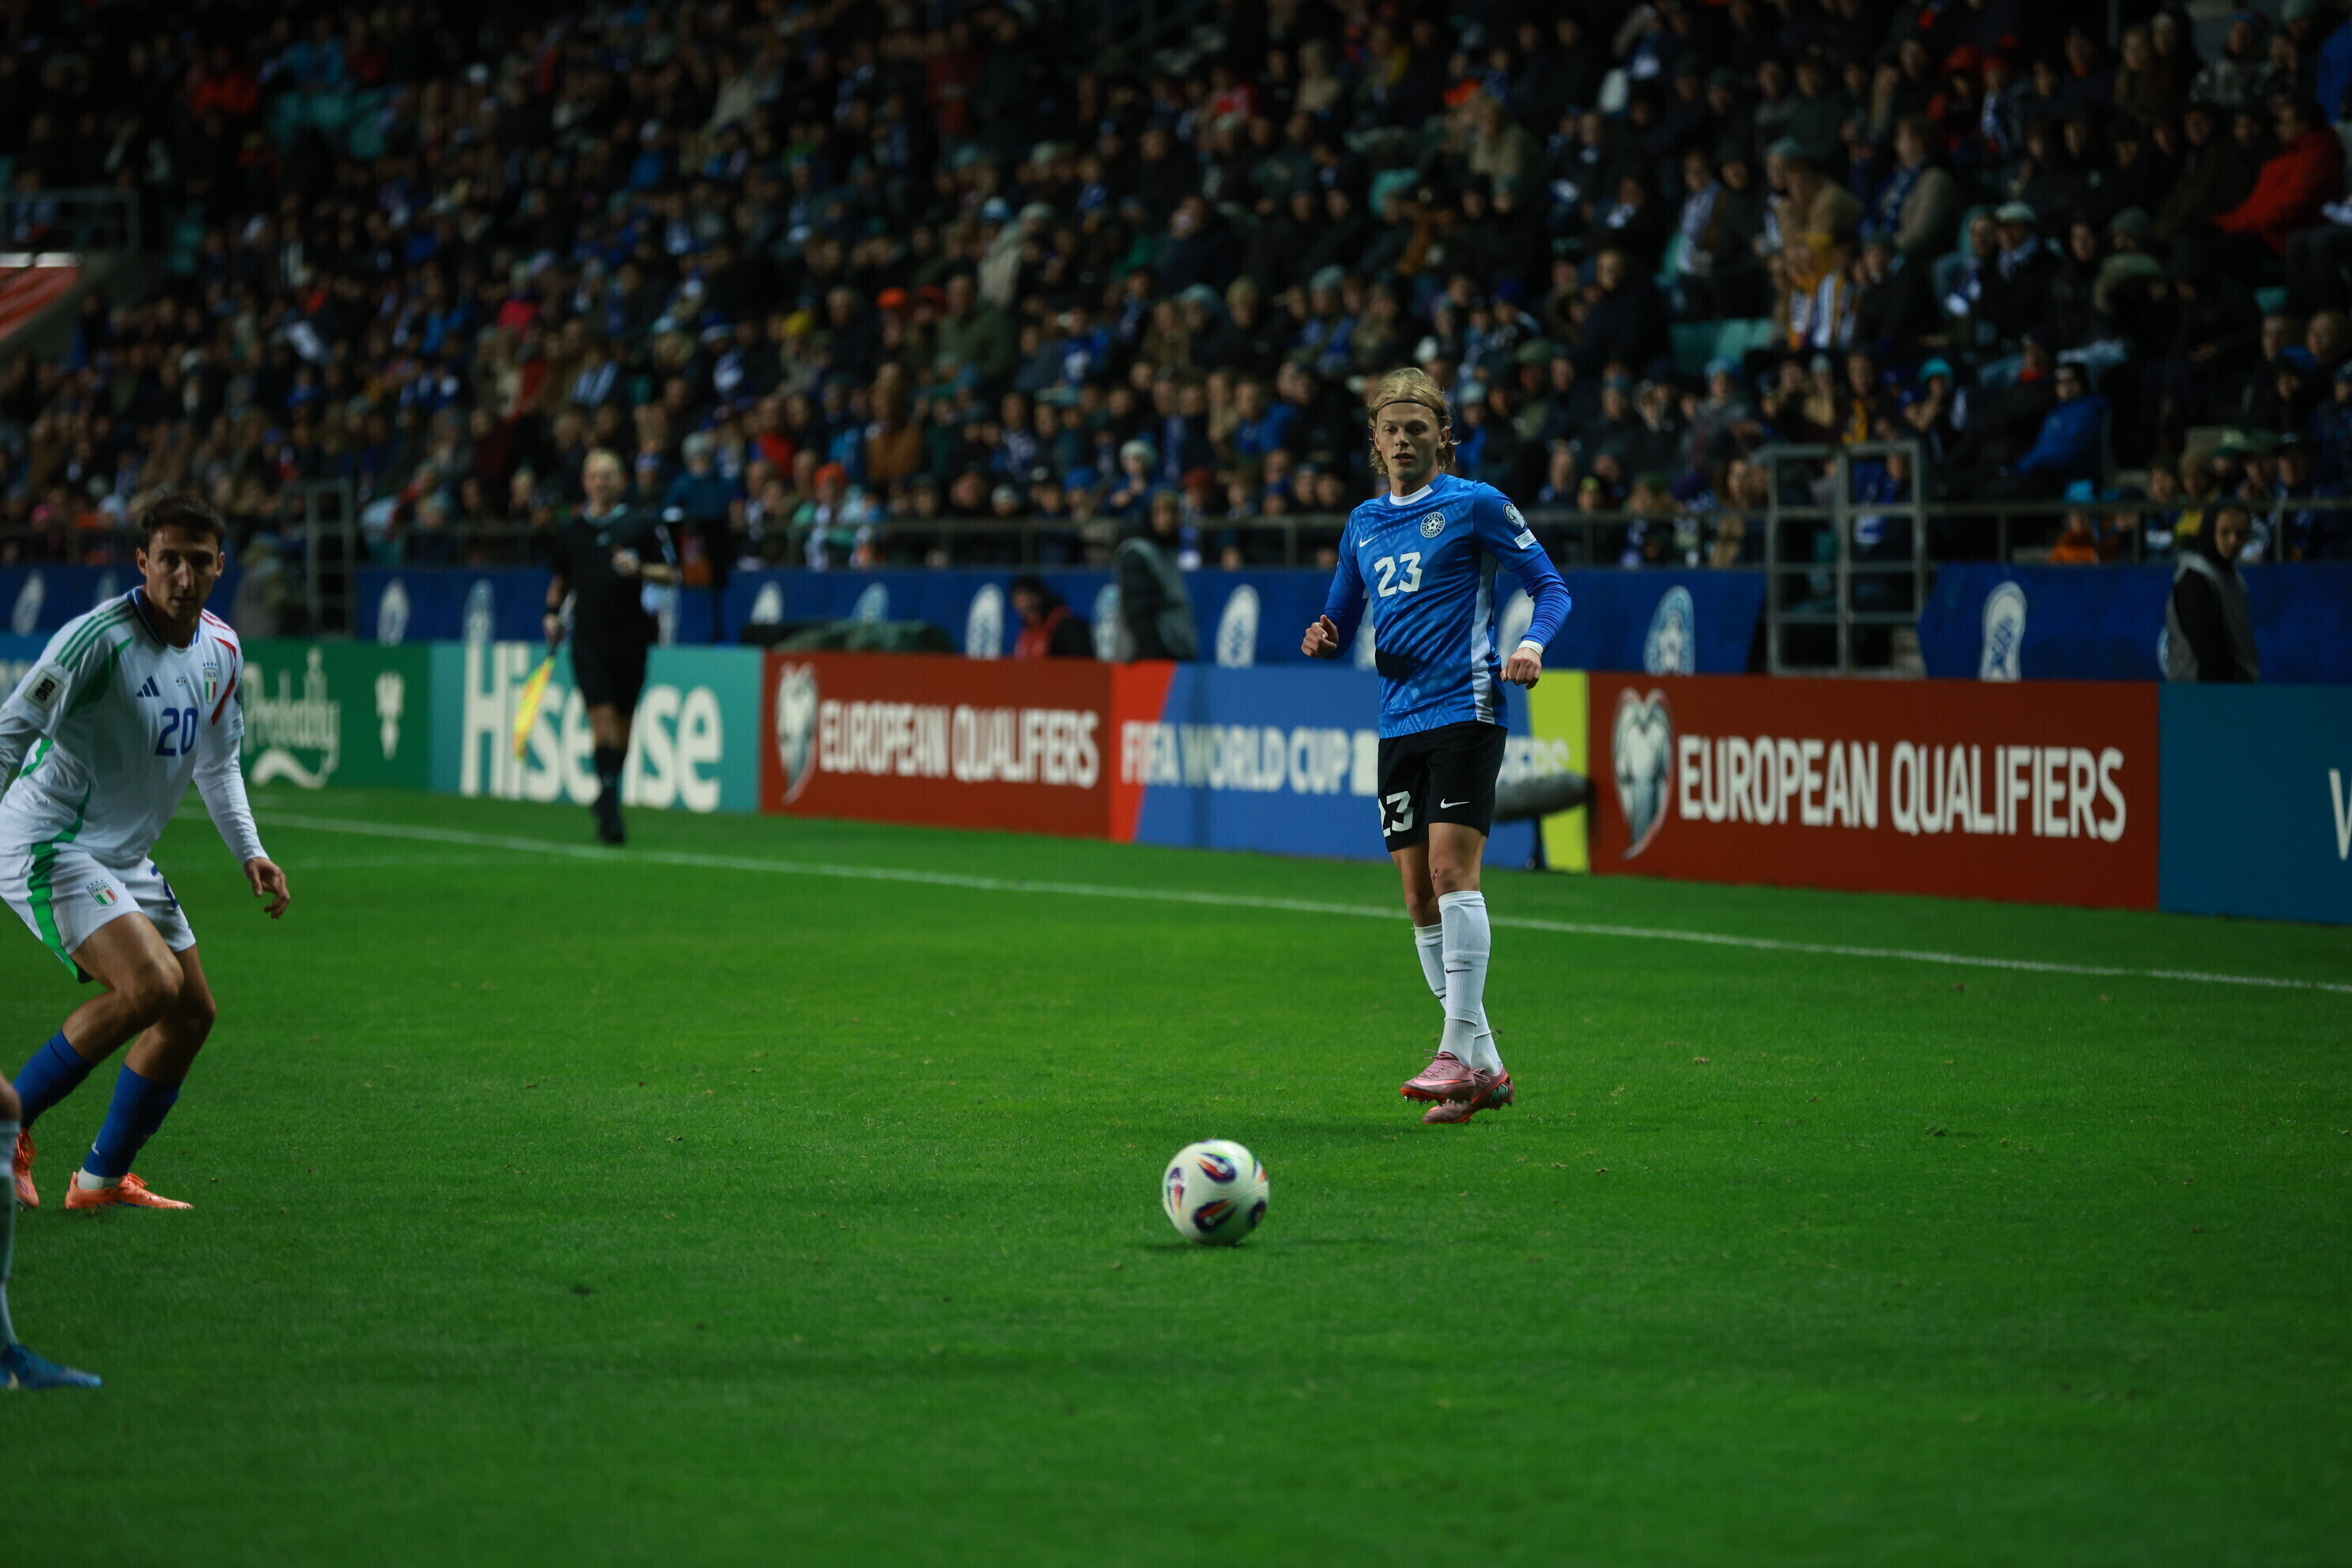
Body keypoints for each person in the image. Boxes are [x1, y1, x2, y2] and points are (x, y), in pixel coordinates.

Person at [1, 492, 291, 1228]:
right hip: (48, 841)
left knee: (192, 1013)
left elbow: (219, 764)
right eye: (169, 560)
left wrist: (251, 850)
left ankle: (101, 1178)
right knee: (154, 984)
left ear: (220, 566)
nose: (183, 577)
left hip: (121, 855)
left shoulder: (221, 649)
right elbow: (11, 733)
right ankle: (9, 1127)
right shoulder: (94, 641)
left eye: (199, 561)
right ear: (142, 561)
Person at [1300, 368, 1570, 1126]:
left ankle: (1452, 1051)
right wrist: (1325, 635)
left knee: (1453, 872)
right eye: (1391, 429)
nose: (1403, 441)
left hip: (1467, 709)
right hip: (1398, 723)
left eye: (1417, 429)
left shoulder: (1475, 503)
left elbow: (1551, 587)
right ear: (1375, 439)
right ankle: (1485, 1068)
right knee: (1418, 895)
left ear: (1443, 437)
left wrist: (1532, 645)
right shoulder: (1363, 523)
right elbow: (1340, 616)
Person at [545, 449, 680, 845]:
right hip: (588, 639)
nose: (601, 482)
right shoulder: (572, 530)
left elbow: (671, 573)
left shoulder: (640, 524)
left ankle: (605, 795)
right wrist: (552, 614)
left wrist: (640, 569)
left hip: (631, 637)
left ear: (622, 481)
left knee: (623, 726)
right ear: (585, 482)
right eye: (594, 476)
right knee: (602, 721)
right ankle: (611, 813)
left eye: (608, 475)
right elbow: (560, 581)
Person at [2166, 502, 2262, 682]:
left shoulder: (2236, 579)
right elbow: (2207, 650)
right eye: (2225, 533)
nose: (2233, 541)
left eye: (2240, 534)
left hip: (2235, 687)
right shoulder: (2195, 578)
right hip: (2201, 689)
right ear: (2210, 531)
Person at [1115, 493, 1200, 661]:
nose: (1166, 519)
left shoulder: (1168, 549)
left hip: (1177, 645)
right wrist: (1153, 652)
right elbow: (1138, 609)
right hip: (1154, 651)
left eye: (1172, 512)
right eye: (1159, 512)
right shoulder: (1138, 553)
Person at [1008, 575, 1095, 658]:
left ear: (1039, 597)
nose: (1023, 603)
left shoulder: (1066, 626)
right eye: (1018, 597)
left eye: (1026, 596)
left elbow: (1080, 661)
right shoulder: (1027, 631)